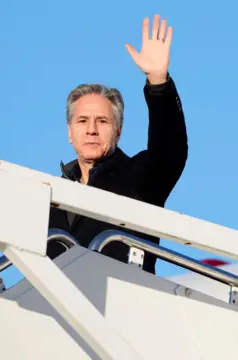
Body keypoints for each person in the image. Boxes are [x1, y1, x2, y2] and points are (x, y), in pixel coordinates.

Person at [47, 14, 188, 274]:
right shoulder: (50, 196)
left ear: (118, 131)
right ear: (69, 132)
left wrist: (159, 83)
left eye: (101, 121)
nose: (91, 130)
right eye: (82, 121)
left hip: (124, 306)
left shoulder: (137, 179)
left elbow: (170, 152)